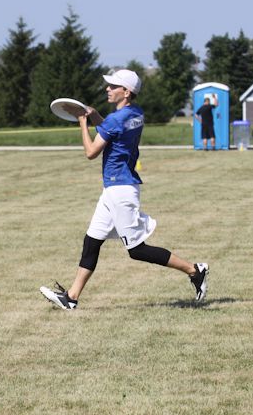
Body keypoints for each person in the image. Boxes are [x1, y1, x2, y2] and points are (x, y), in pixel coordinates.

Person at [39, 68, 209, 310]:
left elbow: (91, 152)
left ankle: (194, 270)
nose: (107, 89)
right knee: (92, 241)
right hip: (115, 188)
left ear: (126, 92)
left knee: (137, 250)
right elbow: (112, 131)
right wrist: (96, 115)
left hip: (120, 189)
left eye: (113, 86)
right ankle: (72, 297)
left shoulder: (116, 119)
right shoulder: (135, 113)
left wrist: (83, 122)